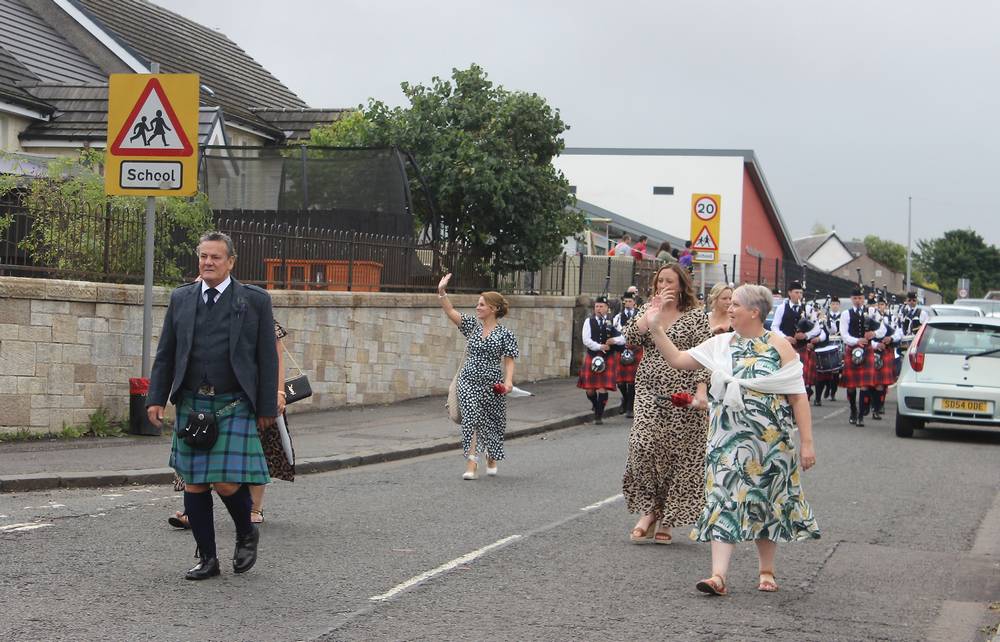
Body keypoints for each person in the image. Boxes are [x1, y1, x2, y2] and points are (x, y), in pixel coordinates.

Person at [645, 283, 819, 595]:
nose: (730, 308)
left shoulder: (780, 346)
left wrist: (806, 443)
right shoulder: (721, 344)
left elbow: (798, 397)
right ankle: (718, 576)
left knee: (765, 504)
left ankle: (766, 570)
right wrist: (656, 327)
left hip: (770, 444)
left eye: (736, 304)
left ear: (755, 311)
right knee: (722, 501)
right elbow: (679, 359)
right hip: (725, 443)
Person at [147, 231, 278, 580]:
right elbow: (167, 353)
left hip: (233, 403)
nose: (207, 262)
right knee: (193, 481)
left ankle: (246, 531)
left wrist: (266, 406)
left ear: (231, 261)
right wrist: (156, 397)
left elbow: (268, 358)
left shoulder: (254, 301)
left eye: (215, 257)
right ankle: (207, 558)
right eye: (203, 256)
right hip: (192, 401)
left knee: (226, 483)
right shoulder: (182, 298)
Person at [168, 319, 292, 530]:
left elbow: (275, 354)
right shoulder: (193, 306)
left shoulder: (251, 305)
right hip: (203, 397)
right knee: (196, 444)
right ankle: (193, 511)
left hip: (249, 395)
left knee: (257, 449)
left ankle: (254, 508)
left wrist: (278, 392)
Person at [621, 264, 711, 545]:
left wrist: (701, 393)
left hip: (683, 394)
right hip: (650, 388)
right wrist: (650, 317)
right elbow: (630, 339)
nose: (664, 287)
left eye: (670, 282)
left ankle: (667, 520)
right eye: (660, 282)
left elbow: (705, 357)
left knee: (677, 456)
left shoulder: (696, 316)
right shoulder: (649, 309)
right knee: (643, 445)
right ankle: (649, 511)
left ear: (682, 285)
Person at [437, 274, 519, 480]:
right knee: (472, 420)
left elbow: (509, 359)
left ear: (493, 309)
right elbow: (450, 311)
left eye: (482, 305)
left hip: (492, 384)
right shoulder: (472, 326)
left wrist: (508, 381)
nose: (477, 307)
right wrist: (441, 292)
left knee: (492, 422)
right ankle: (472, 464)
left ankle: (491, 457)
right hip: (468, 380)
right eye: (478, 304)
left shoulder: (505, 334)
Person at [770, 282, 823, 399]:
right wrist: (785, 337)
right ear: (789, 293)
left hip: (802, 347)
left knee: (801, 379)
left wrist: (806, 335)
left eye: (801, 293)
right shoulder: (782, 308)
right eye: (796, 292)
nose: (799, 295)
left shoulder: (808, 309)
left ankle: (802, 400)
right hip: (786, 347)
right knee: (786, 377)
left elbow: (817, 328)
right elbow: (774, 327)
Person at [578, 295, 624, 424]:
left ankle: (598, 415)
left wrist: (614, 340)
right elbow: (585, 340)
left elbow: (623, 337)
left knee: (602, 388)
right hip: (592, 355)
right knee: (590, 390)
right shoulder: (589, 321)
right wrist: (600, 346)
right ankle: (595, 404)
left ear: (607, 308)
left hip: (607, 357)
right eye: (596, 306)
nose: (598, 309)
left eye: (601, 306)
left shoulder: (612, 322)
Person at [839, 288, 880, 427]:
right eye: (855, 298)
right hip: (852, 349)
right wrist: (857, 341)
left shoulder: (872, 312)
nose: (858, 301)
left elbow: (883, 328)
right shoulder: (846, 314)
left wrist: (874, 333)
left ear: (864, 299)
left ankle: (861, 415)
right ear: (851, 299)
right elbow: (843, 334)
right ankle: (853, 410)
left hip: (867, 349)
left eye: (860, 298)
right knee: (851, 387)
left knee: (864, 386)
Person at [870, 298, 902, 421]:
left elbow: (899, 333)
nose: (881, 306)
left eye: (883, 304)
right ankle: (873, 405)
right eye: (879, 304)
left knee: (882, 383)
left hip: (886, 351)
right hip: (873, 351)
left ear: (886, 305)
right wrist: (875, 344)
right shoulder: (871, 318)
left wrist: (891, 338)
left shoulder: (893, 318)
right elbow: (866, 335)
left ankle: (878, 407)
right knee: (872, 383)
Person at [613, 291, 642, 418]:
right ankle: (625, 399)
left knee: (631, 382)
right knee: (620, 382)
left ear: (635, 303)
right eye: (626, 301)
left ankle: (630, 407)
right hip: (622, 349)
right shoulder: (618, 317)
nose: (627, 303)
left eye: (630, 301)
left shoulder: (640, 316)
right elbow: (618, 332)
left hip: (635, 350)